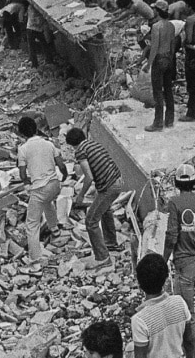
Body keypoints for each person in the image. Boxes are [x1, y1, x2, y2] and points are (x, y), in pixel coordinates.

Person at [163, 164, 195, 356]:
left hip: (185, 267)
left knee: (186, 315)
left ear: (176, 183)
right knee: (186, 309)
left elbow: (171, 237)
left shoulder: (174, 203)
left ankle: (194, 353)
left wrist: (163, 261)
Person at [66, 127, 123, 270]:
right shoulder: (94, 144)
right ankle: (111, 244)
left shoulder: (80, 151)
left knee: (90, 221)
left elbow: (89, 176)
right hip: (117, 181)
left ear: (72, 144)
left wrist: (80, 196)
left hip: (109, 186)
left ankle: (103, 258)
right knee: (105, 210)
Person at [17, 116, 67, 266]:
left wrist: (27, 182)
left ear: (21, 133)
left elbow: (22, 174)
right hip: (54, 185)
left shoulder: (23, 149)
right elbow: (61, 165)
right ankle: (55, 229)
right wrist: (64, 176)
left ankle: (35, 258)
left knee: (32, 224)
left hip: (40, 188)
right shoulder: (48, 144)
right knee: (47, 203)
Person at [131, 252, 195, 358]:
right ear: (165, 279)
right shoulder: (180, 302)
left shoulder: (139, 320)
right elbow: (189, 342)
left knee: (129, 349)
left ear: (139, 284)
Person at [145, 0, 177, 132]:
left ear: (157, 11)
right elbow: (172, 45)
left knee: (158, 92)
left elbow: (154, 47)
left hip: (159, 59)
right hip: (169, 58)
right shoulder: (171, 25)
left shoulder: (156, 27)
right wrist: (171, 59)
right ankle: (169, 120)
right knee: (168, 90)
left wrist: (149, 64)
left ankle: (158, 123)